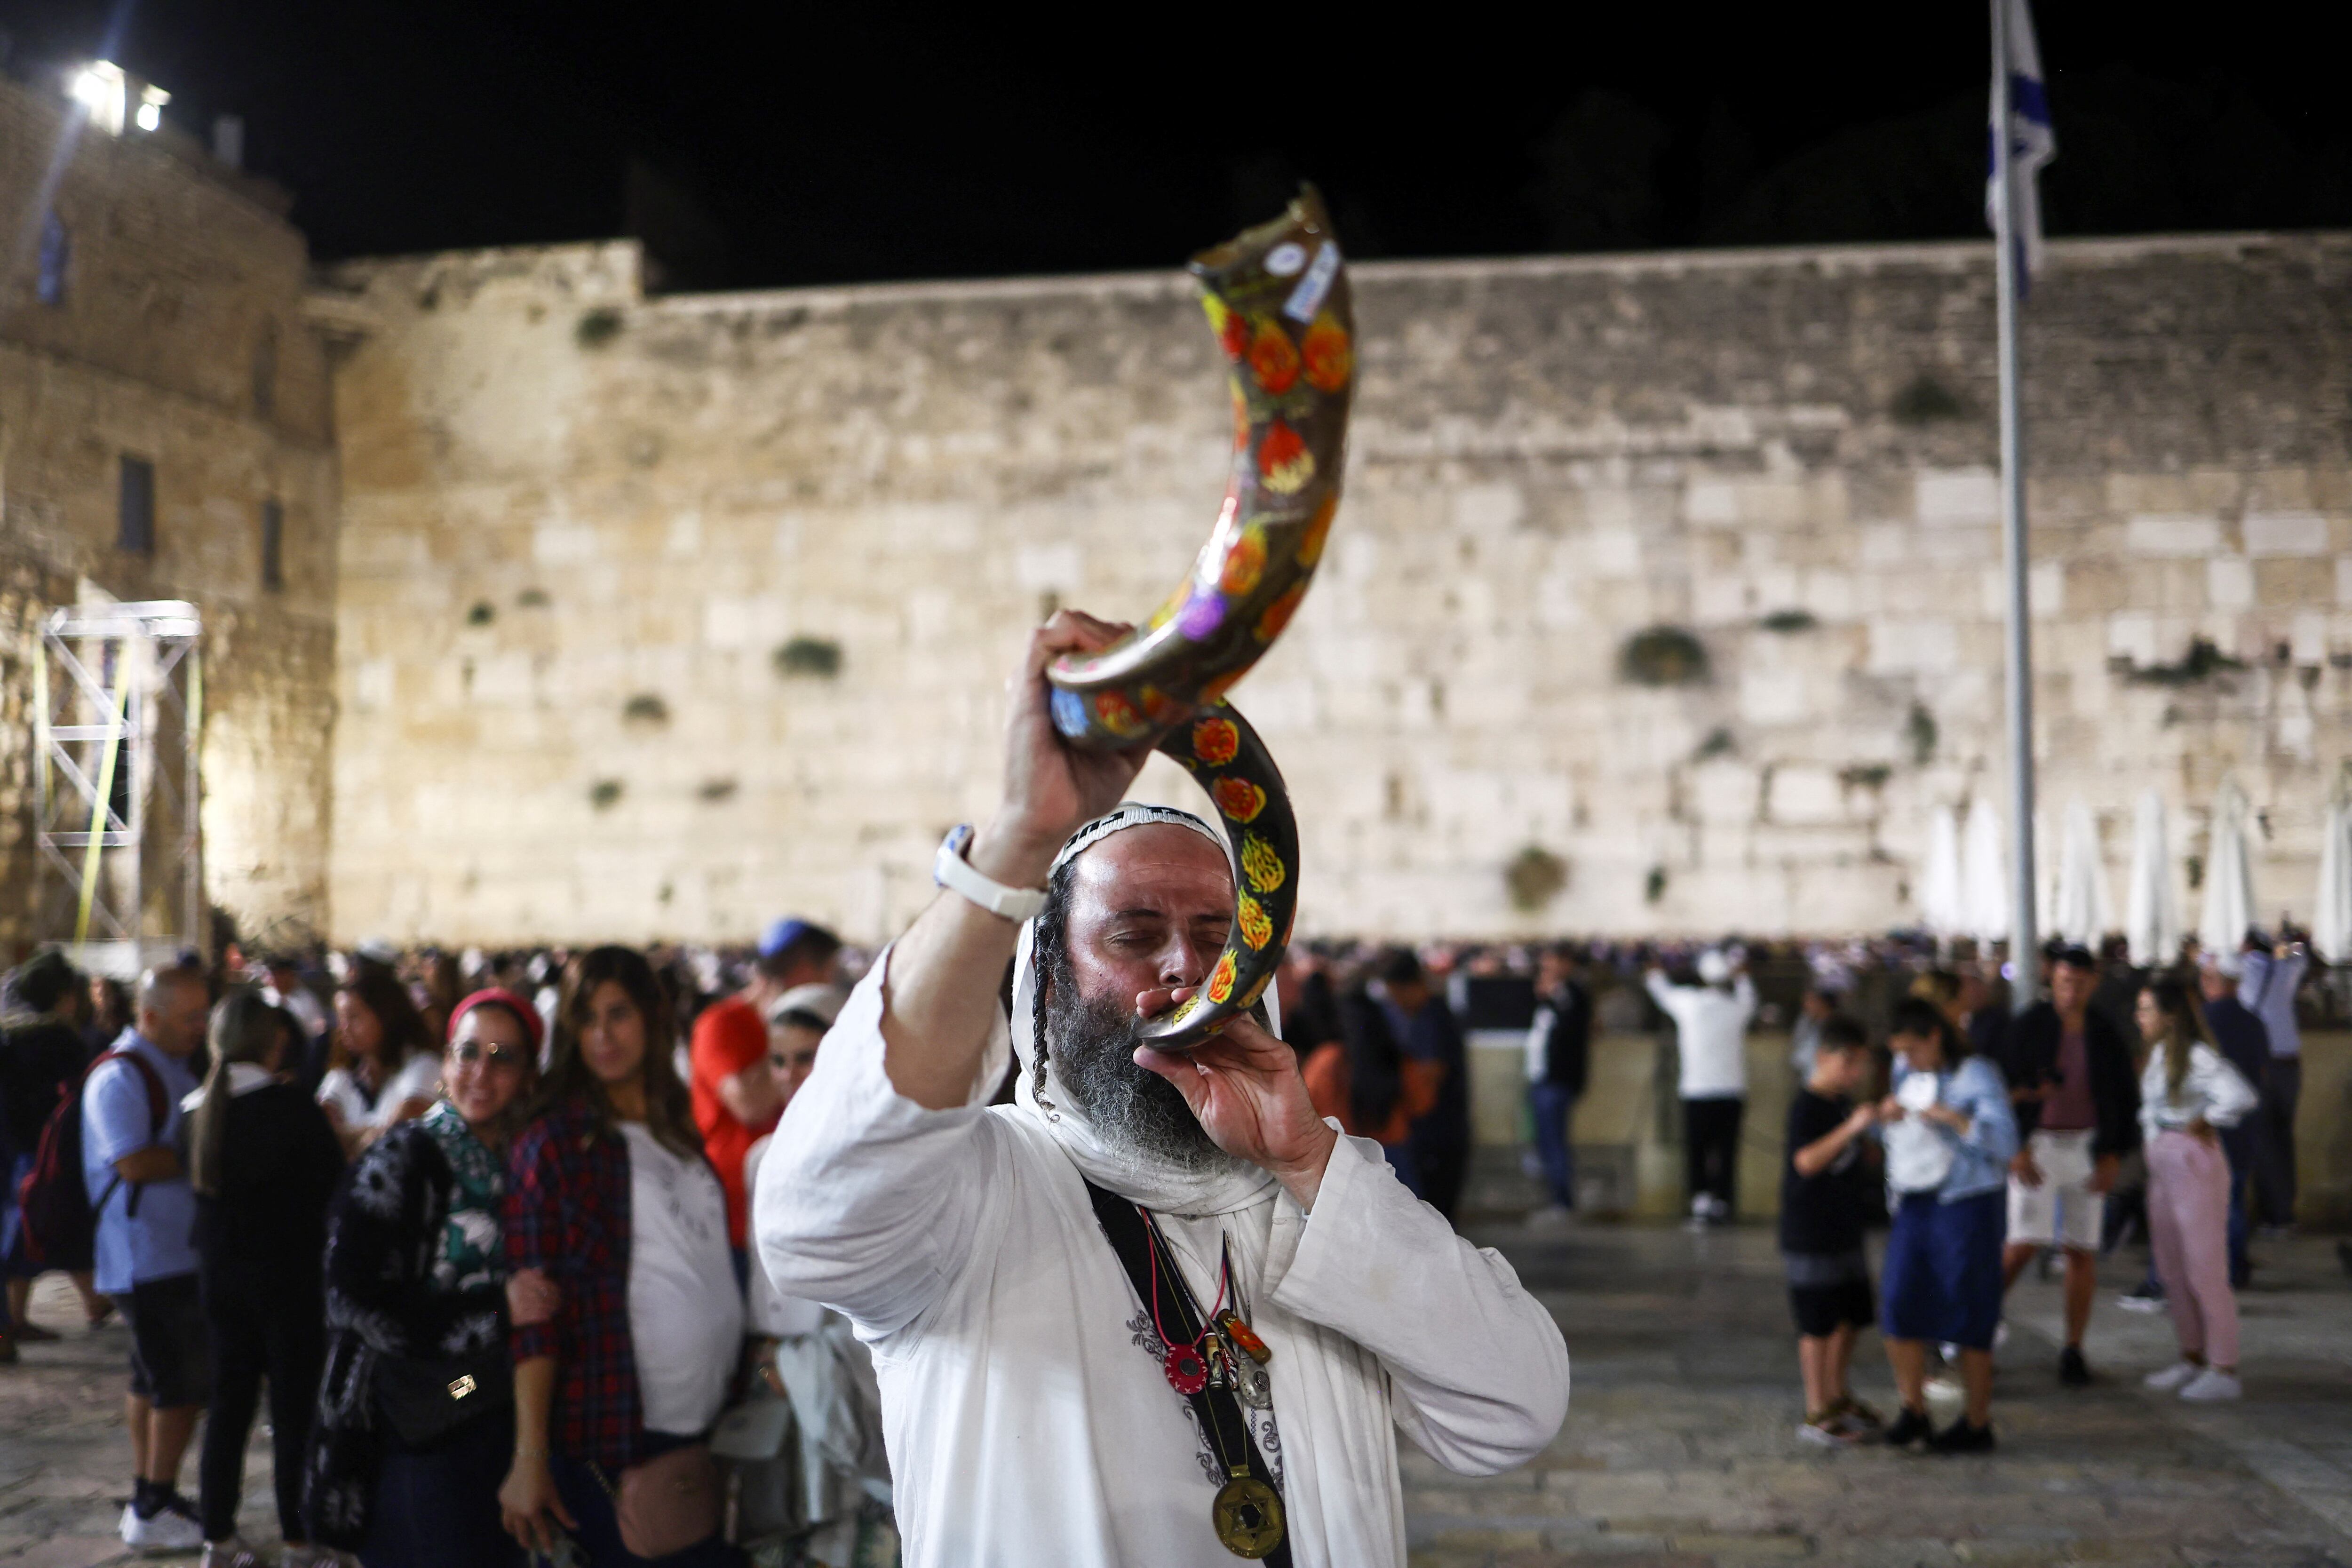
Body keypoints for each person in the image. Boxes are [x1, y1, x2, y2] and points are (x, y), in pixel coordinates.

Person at [755, 611, 1570, 1567]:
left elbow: (1515, 1410)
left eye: (1217, 936)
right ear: (1048, 980)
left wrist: (1310, 1162)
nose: (1185, 970)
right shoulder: (976, 1195)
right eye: (1133, 934)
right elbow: (812, 1223)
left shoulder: (1316, 1199)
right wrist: (1022, 837)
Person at [500, 947, 746, 1568]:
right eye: (587, 1019)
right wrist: (529, 1457)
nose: (603, 1035)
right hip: (612, 1429)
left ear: (652, 1020)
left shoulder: (679, 1131)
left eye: (619, 1014)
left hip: (704, 1428)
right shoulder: (554, 1142)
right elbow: (535, 1319)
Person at [306, 987, 549, 1568]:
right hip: (423, 1413)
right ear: (444, 1063)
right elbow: (351, 1299)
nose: (481, 1073)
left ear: (529, 1075)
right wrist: (498, 1312)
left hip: (488, 1402)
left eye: (503, 1057)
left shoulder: (526, 1160)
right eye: (467, 1053)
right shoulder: (403, 1158)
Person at [187, 991, 345, 1568]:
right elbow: (334, 1186)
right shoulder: (290, 1107)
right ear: (273, 1041)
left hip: (219, 1279)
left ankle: (218, 1538)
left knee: (228, 1408)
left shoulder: (199, 1109)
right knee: (293, 1409)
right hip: (287, 1280)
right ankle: (300, 1539)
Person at [739, 983, 893, 1565]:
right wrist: (771, 1358)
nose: (789, 1073)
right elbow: (764, 1288)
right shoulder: (762, 1157)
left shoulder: (881, 1152)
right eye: (778, 1060)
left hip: (859, 1387)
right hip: (782, 1385)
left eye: (806, 1056)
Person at [86, 965, 212, 1551]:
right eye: (190, 1018)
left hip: (172, 1252)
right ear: (151, 1016)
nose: (201, 1027)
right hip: (145, 1258)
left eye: (204, 1014)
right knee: (180, 1384)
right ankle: (154, 1505)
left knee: (151, 1378)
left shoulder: (172, 1065)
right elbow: (132, 1161)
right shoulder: (120, 1077)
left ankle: (150, 1492)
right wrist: (207, 1154)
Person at [1994, 945, 2139, 1386]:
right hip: (2038, 1143)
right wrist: (2014, 1148)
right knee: (2022, 1242)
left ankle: (2073, 1347)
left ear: (2092, 982)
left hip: (2086, 1144)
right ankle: (1974, 1322)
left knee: (2081, 1248)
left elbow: (2122, 1096)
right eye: (2063, 983)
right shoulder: (2031, 1026)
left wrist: (2113, 1152)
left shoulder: (2104, 1032)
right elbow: (2002, 1087)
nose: (2070, 991)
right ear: (2051, 982)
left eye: (2078, 982)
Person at [1877, 996, 2017, 1455]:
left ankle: (1976, 1421)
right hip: (1916, 1200)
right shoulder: (1905, 1074)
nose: (1905, 1060)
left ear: (1933, 1038)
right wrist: (1886, 1120)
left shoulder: (1975, 1074)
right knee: (1898, 1299)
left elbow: (2004, 1140)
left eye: (1912, 1050)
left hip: (1967, 1201)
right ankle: (1912, 1407)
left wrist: (1954, 1119)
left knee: (1969, 1306)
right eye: (1899, 1052)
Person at [690, 920, 843, 1274]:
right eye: (828, 973)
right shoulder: (720, 1024)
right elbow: (750, 1105)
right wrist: (786, 1031)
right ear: (806, 970)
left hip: (796, 1211)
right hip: (737, 1223)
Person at [2135, 979, 2260, 1402]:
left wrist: (2208, 1119)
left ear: (2169, 1016)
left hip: (2192, 1162)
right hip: (2166, 1159)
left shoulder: (2196, 1055)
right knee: (2171, 1266)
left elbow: (2240, 1095)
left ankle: (2223, 1365)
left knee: (2203, 1266)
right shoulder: (2159, 1057)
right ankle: (2192, 1355)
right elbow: (2149, 1109)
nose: (2140, 1017)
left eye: (2147, 1009)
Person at [1781, 1015, 1881, 1445]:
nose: (1855, 1073)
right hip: (1811, 1228)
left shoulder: (1842, 1101)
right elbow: (1806, 1161)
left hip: (1845, 1225)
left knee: (1852, 1314)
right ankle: (1817, 1407)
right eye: (1848, 1063)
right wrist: (1852, 1129)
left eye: (1860, 1065)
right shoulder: (1808, 1105)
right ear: (1823, 1057)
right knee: (1818, 1322)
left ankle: (1838, 1395)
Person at [1, 951, 109, 1349]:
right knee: (37, 1230)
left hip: (13, 1151)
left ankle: (11, 1324)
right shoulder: (58, 1040)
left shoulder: (9, 1034)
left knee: (19, 1235)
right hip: (42, 1153)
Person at [1646, 950, 1755, 1227]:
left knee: (1697, 1150)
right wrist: (1741, 975)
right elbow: (1750, 995)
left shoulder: (1688, 1004)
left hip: (1697, 1091)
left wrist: (1656, 968)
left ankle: (1700, 1202)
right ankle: (1723, 1203)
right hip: (1732, 1090)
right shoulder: (1737, 1007)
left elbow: (1659, 988)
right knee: (1727, 1151)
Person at [1303, 985, 1440, 1193]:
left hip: (1340, 1158)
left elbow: (1305, 1108)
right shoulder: (1396, 1060)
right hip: (1394, 1159)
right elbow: (1422, 1104)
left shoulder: (1327, 1060)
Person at [1380, 950, 1472, 1222]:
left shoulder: (1432, 1020)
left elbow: (1429, 1078)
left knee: (1434, 1221)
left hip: (1438, 1137)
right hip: (1437, 1134)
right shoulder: (1427, 1017)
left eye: (1395, 994)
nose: (1395, 1003)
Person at [2196, 955, 2269, 1287]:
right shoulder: (2255, 1022)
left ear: (2210, 981)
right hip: (2246, 1125)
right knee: (2236, 1196)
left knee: (2212, 1205)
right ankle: (2237, 1264)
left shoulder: (2201, 1022)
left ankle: (2225, 1268)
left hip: (2209, 1124)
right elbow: (2263, 1072)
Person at [318, 970, 440, 1156]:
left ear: (385, 1015)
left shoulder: (424, 1066)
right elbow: (318, 1140)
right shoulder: (339, 1078)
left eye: (354, 1017)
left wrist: (347, 1136)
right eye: (341, 1019)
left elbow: (392, 1138)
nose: (344, 1029)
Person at [2238, 930, 2307, 1230]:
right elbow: (2301, 954)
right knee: (2283, 1139)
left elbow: (2208, 960)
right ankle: (2285, 1213)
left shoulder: (2248, 967)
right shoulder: (2288, 968)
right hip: (2291, 1065)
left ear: (2249, 946)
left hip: (2264, 1065)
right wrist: (2291, 941)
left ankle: (2272, 1216)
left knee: (2265, 1143)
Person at [1525, 949, 1593, 1223]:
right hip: (1543, 1079)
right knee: (1546, 1142)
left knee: (1555, 1143)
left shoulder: (1572, 995)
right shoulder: (1549, 1001)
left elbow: (1570, 1029)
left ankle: (1563, 1203)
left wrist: (1552, 996)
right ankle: (1557, 1199)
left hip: (1557, 1081)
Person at [1787, 987, 1837, 1081]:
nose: (1806, 1005)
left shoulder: (1834, 1026)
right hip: (1804, 1072)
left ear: (1823, 1003)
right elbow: (1797, 1043)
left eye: (1811, 1001)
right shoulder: (1805, 1021)